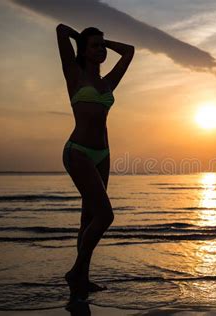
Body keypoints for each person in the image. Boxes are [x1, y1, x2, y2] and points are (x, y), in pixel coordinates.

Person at [56, 23, 134, 301]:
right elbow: (61, 29)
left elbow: (129, 52)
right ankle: (77, 271)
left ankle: (82, 280)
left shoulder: (108, 82)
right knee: (105, 216)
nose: (101, 49)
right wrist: (81, 40)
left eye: (102, 46)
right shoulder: (74, 74)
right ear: (84, 51)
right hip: (78, 151)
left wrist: (103, 41)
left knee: (88, 218)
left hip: (103, 155)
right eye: (96, 46)